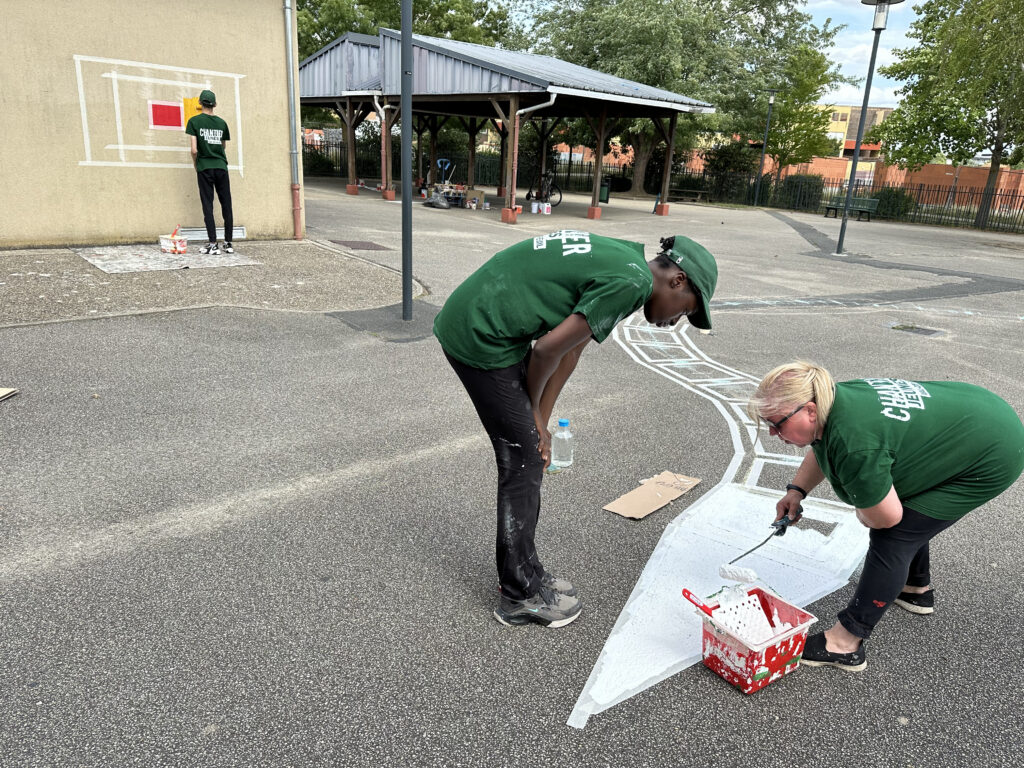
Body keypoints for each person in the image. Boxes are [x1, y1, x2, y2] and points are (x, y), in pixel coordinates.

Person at [434, 231, 719, 627]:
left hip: (488, 318)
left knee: (531, 449)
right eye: (686, 309)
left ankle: (529, 572)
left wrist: (541, 422)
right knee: (523, 461)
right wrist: (533, 420)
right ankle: (519, 595)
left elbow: (569, 352)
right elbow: (547, 349)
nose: (676, 321)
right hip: (481, 333)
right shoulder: (632, 283)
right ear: (677, 281)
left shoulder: (627, 260)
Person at [747, 362, 1024, 671]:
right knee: (904, 508)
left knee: (895, 536)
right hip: (980, 413)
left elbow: (886, 518)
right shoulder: (831, 398)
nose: (772, 432)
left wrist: (867, 512)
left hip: (993, 454)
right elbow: (821, 444)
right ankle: (915, 589)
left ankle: (844, 642)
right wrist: (797, 490)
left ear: (810, 411)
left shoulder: (855, 444)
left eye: (776, 423)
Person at [185, 89, 234, 255]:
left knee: (208, 204)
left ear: (200, 103)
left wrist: (195, 164)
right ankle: (228, 243)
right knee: (226, 203)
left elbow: (193, 150)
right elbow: (223, 146)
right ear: (215, 104)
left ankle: (213, 244)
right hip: (221, 166)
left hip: (204, 166)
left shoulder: (194, 122)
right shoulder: (222, 123)